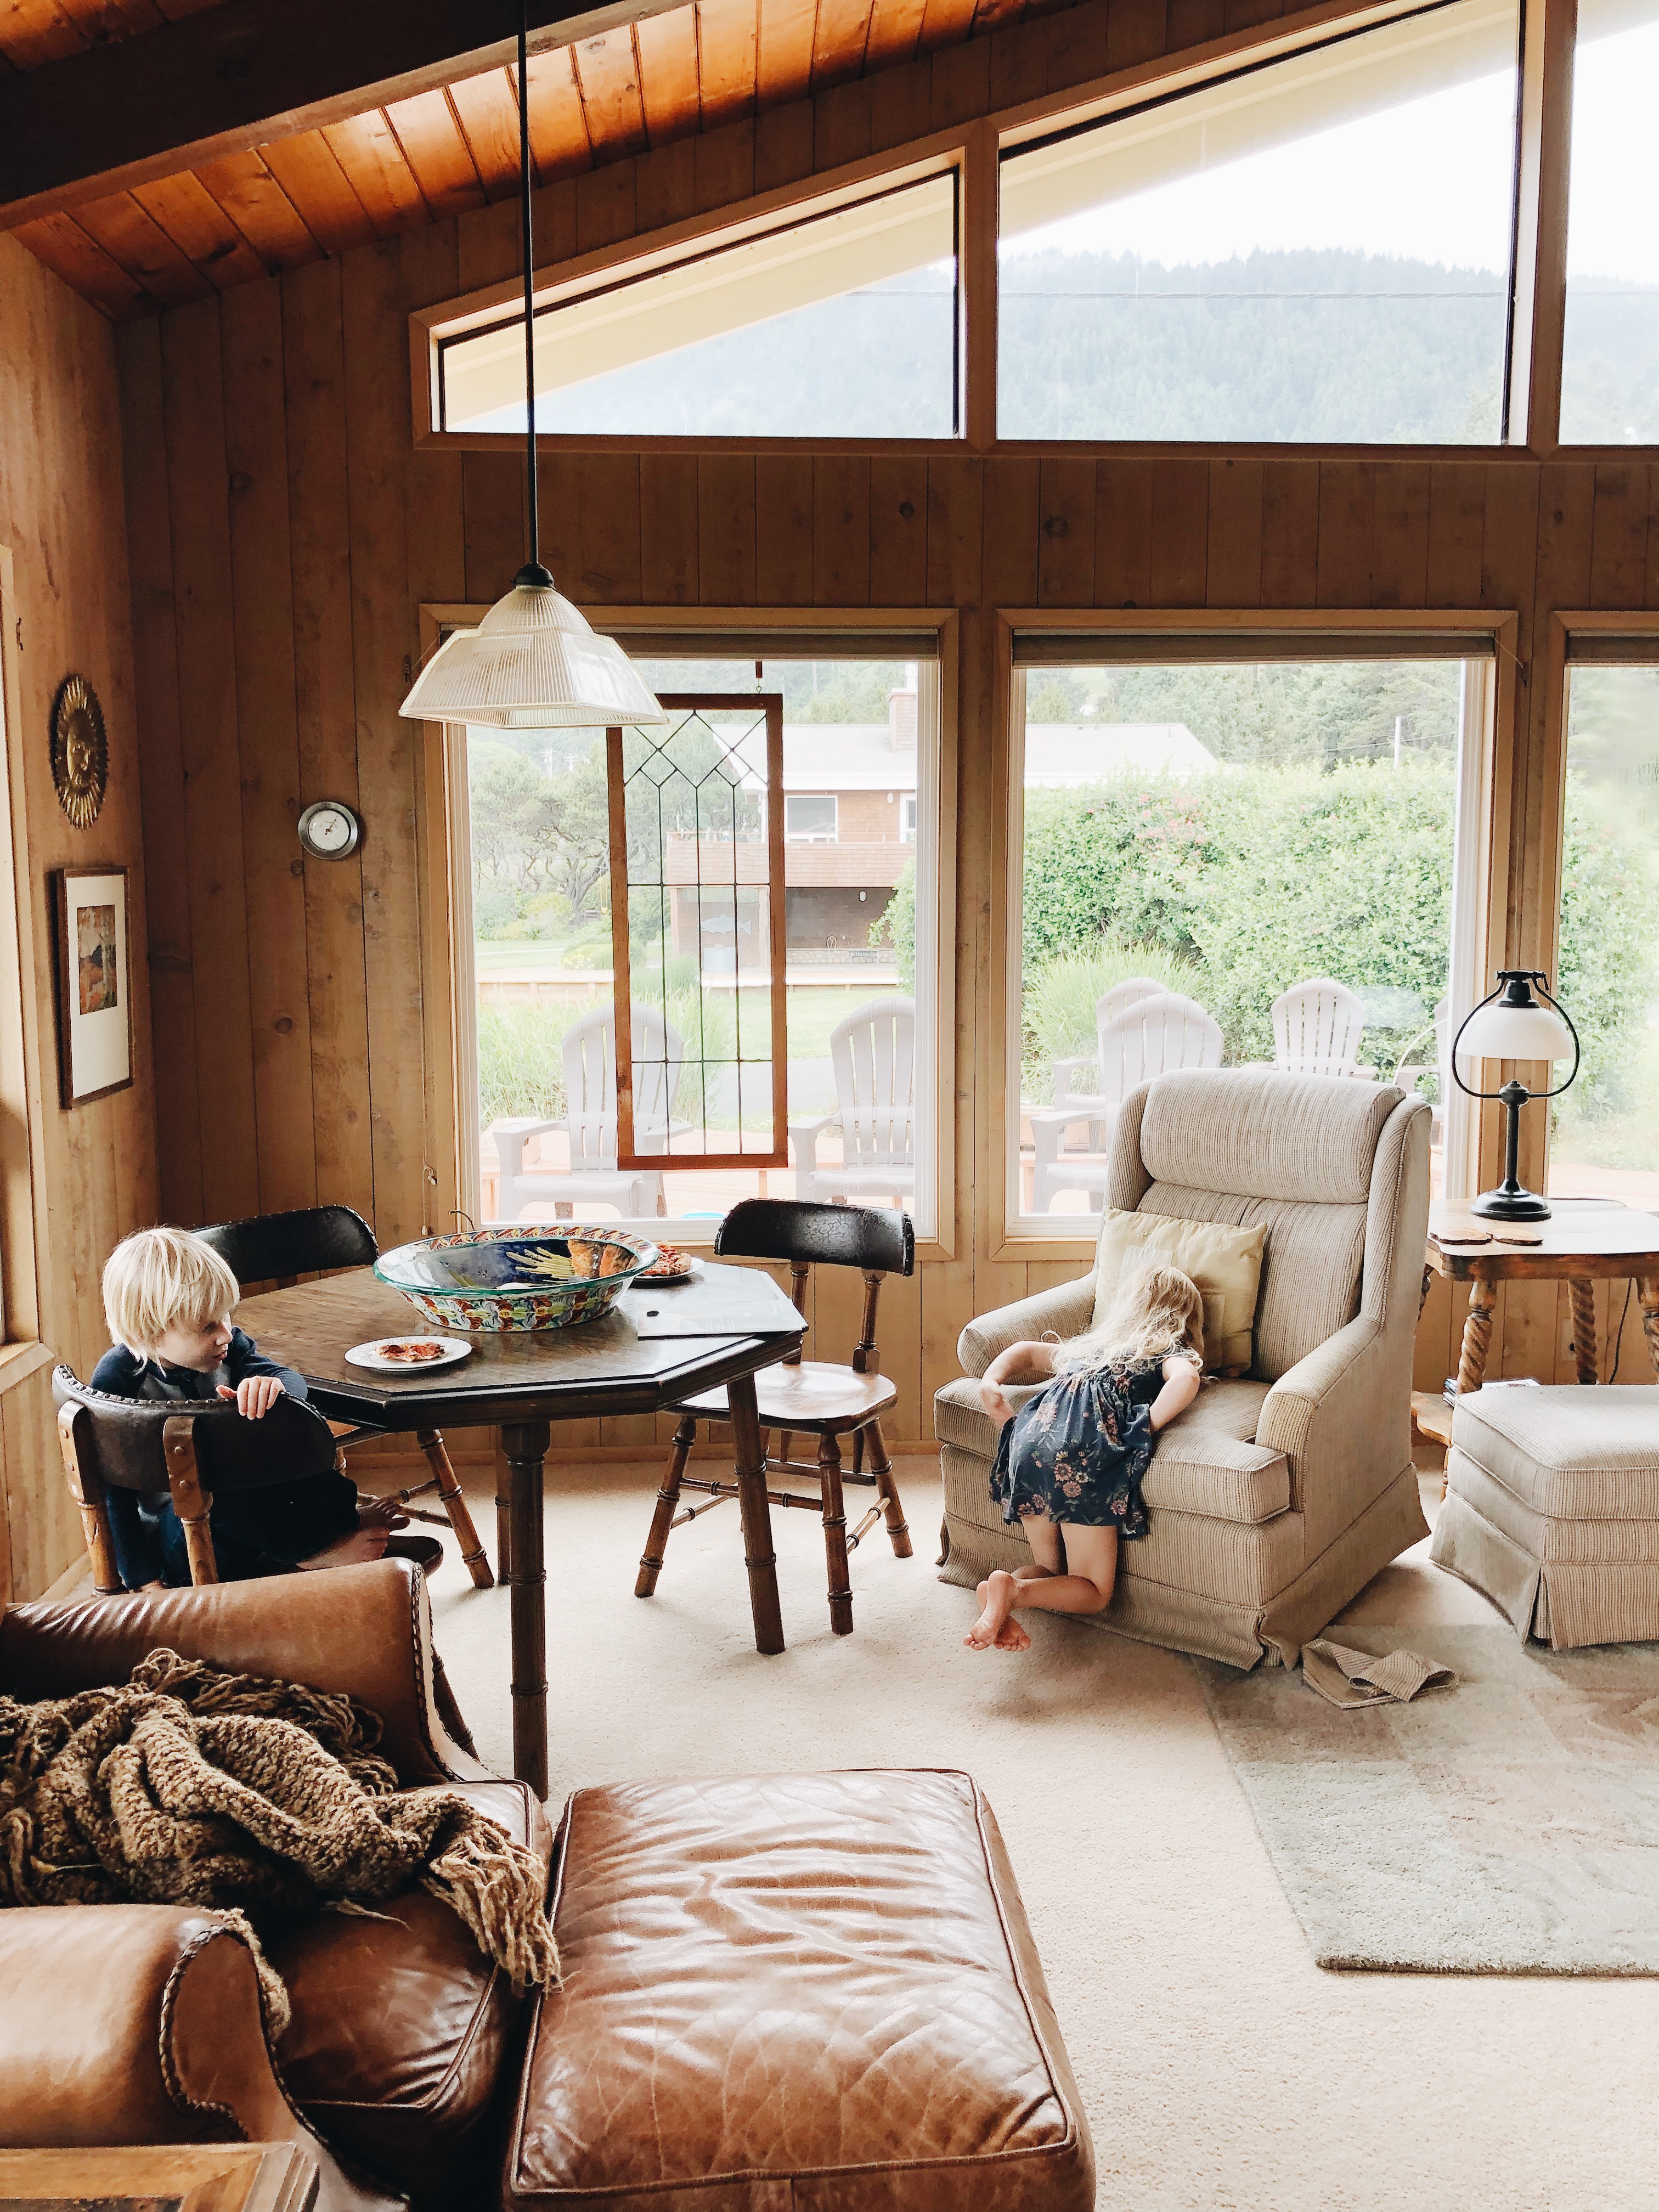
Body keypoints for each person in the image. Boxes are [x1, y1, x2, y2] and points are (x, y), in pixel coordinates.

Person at [93, 1226, 419, 1592]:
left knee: (296, 1442)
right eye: (208, 1326)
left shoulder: (230, 1348)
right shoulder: (118, 1380)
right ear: (151, 1332)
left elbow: (292, 1384)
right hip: (186, 1537)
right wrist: (145, 1582)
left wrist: (275, 1386)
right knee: (218, 1488)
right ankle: (315, 1551)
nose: (225, 1334)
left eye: (226, 1316)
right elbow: (114, 1497)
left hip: (248, 1523)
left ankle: (339, 1523)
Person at [964, 1261, 1205, 1652]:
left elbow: (1024, 1351)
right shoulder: (1165, 1349)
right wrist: (1144, 1429)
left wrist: (991, 1382)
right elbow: (1187, 1379)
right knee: (1093, 1592)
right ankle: (1014, 1591)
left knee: (1049, 1570)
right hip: (1081, 1454)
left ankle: (1002, 1594)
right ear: (1184, 1318)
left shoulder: (1086, 1349)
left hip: (1027, 1441)